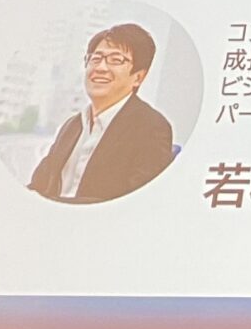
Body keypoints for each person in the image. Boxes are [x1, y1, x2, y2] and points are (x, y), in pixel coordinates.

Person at [27, 21, 176, 202]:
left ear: (138, 77)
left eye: (116, 60)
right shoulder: (72, 125)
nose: (100, 68)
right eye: (96, 58)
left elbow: (135, 203)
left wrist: (57, 206)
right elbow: (38, 185)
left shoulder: (152, 127)